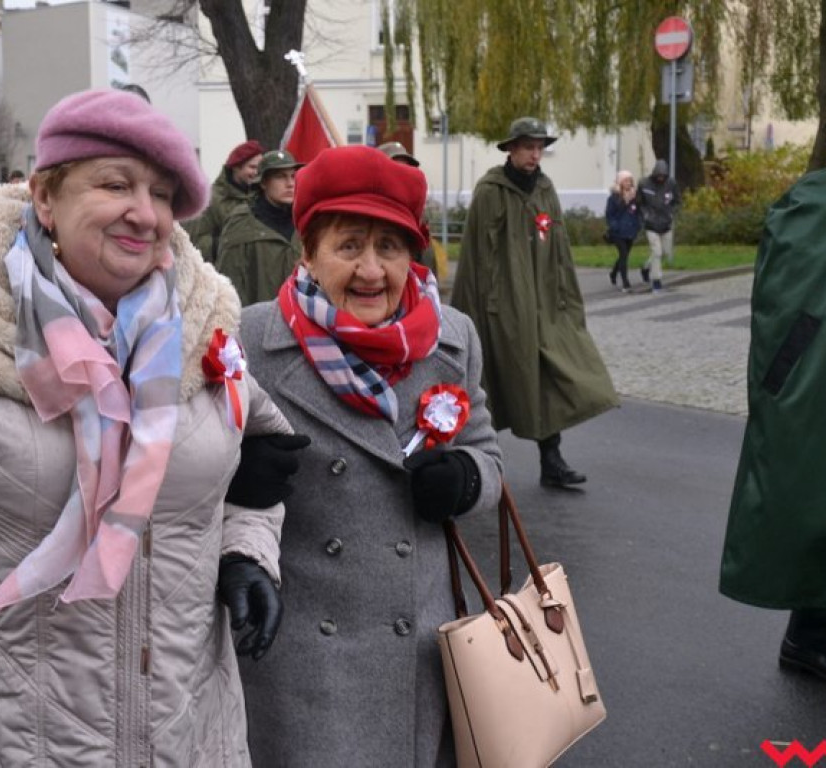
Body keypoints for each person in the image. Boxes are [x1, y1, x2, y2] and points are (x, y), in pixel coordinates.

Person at [0, 88, 306, 766]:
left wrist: (246, 549)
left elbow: (262, 452)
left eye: (163, 193)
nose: (145, 214)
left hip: (185, 727)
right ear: (46, 197)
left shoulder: (200, 322)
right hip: (16, 732)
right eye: (115, 184)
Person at [236, 144, 504, 767]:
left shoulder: (453, 337)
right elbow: (188, 472)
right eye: (348, 246)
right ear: (307, 252)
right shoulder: (250, 339)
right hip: (302, 652)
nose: (371, 270)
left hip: (420, 649)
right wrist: (235, 481)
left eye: (389, 248)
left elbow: (487, 454)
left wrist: (465, 480)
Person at [450, 116, 618, 488]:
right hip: (502, 309)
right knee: (495, 381)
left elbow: (559, 248)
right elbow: (476, 257)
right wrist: (473, 312)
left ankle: (552, 460)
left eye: (540, 147)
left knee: (546, 378)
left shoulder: (545, 188)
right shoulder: (490, 191)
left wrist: (567, 299)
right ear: (511, 148)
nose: (535, 154)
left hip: (543, 304)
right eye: (528, 146)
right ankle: (475, 461)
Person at [720, 168, 826, 683]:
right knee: (809, 498)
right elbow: (789, 301)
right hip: (810, 379)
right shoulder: (808, 208)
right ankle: (808, 637)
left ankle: (809, 635)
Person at [217, 149, 303, 306]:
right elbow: (230, 282)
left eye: (293, 176)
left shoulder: (305, 220)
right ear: (263, 183)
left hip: (302, 321)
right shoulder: (242, 222)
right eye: (280, 177)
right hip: (257, 321)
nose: (290, 184)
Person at [183, 139, 264, 263]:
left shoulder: (261, 197)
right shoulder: (211, 199)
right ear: (236, 168)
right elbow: (194, 242)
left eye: (260, 168)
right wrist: (228, 242)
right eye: (252, 167)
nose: (256, 173)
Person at [379, 141, 439, 276]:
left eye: (407, 169)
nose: (403, 176)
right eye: (396, 169)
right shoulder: (369, 219)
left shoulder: (418, 217)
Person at [637, 158, 680, 293]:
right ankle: (656, 281)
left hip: (666, 222)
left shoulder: (671, 184)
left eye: (663, 176)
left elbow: (677, 201)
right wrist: (645, 214)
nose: (661, 178)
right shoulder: (644, 184)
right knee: (657, 251)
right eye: (659, 176)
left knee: (665, 252)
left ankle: (646, 267)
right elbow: (640, 202)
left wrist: (671, 212)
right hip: (651, 223)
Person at [604, 170, 642, 292]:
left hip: (630, 230)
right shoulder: (614, 197)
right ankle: (626, 283)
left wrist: (638, 224)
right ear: (620, 182)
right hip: (618, 232)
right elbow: (610, 215)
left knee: (623, 255)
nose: (628, 183)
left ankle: (614, 273)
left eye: (630, 180)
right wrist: (615, 226)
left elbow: (637, 212)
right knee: (624, 255)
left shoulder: (634, 196)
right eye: (626, 181)